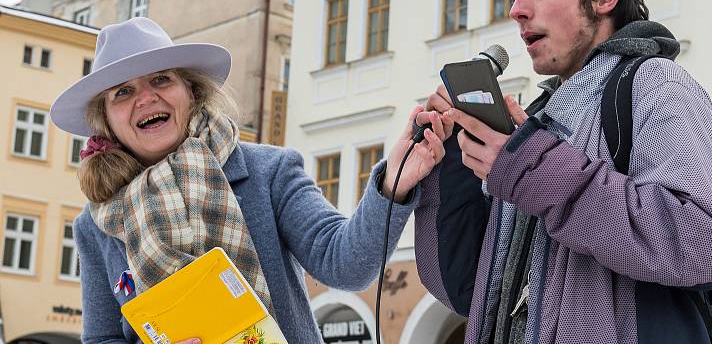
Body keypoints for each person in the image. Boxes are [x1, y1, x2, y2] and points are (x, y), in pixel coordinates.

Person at [414, 0, 712, 344]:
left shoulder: (657, 85)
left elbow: (707, 242)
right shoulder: (538, 121)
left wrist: (530, 166)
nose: (517, 9)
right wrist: (451, 161)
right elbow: (467, 290)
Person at [50, 17, 445, 344]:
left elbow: (345, 265)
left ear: (191, 90)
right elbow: (102, 338)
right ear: (107, 119)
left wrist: (392, 183)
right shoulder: (97, 224)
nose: (146, 98)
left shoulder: (268, 172)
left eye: (161, 80)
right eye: (123, 91)